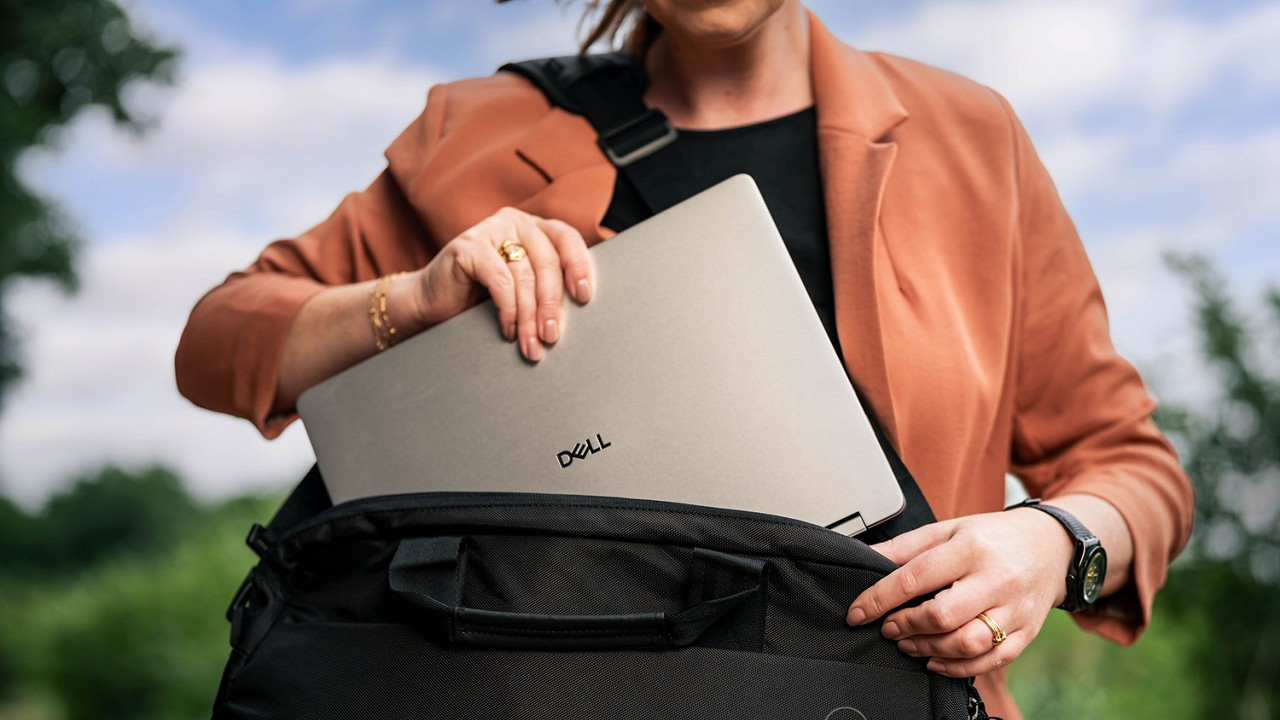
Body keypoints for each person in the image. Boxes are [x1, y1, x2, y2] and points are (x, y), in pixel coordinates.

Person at [174, 1, 1195, 717]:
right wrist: (410, 299)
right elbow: (219, 339)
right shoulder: (469, 135)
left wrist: (1053, 546)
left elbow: (1131, 470)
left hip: (872, 700)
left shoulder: (970, 138)